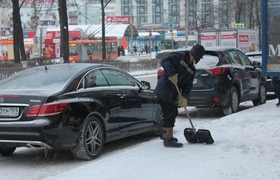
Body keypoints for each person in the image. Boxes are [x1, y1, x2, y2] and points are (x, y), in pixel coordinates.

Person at [154, 44, 205, 148]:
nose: (194, 60)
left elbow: (188, 86)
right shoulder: (178, 56)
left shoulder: (192, 70)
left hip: (173, 93)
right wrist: (172, 73)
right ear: (191, 54)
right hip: (164, 89)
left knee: (171, 112)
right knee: (170, 113)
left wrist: (185, 97)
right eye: (194, 57)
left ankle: (165, 134)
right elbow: (165, 61)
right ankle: (168, 139)